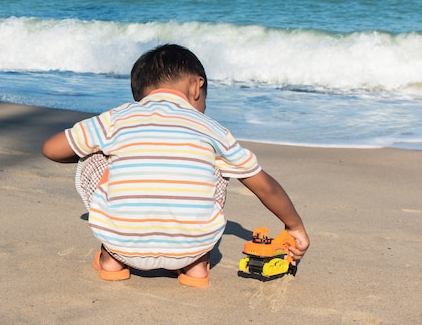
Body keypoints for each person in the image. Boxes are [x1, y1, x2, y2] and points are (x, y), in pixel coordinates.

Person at [42, 44, 309, 287]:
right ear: (196, 86)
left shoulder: (117, 117)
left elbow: (51, 149)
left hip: (122, 243)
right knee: (215, 165)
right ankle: (195, 266)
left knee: (96, 153)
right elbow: (264, 187)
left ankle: (112, 260)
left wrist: (107, 152)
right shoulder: (213, 129)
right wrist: (294, 226)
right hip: (190, 247)